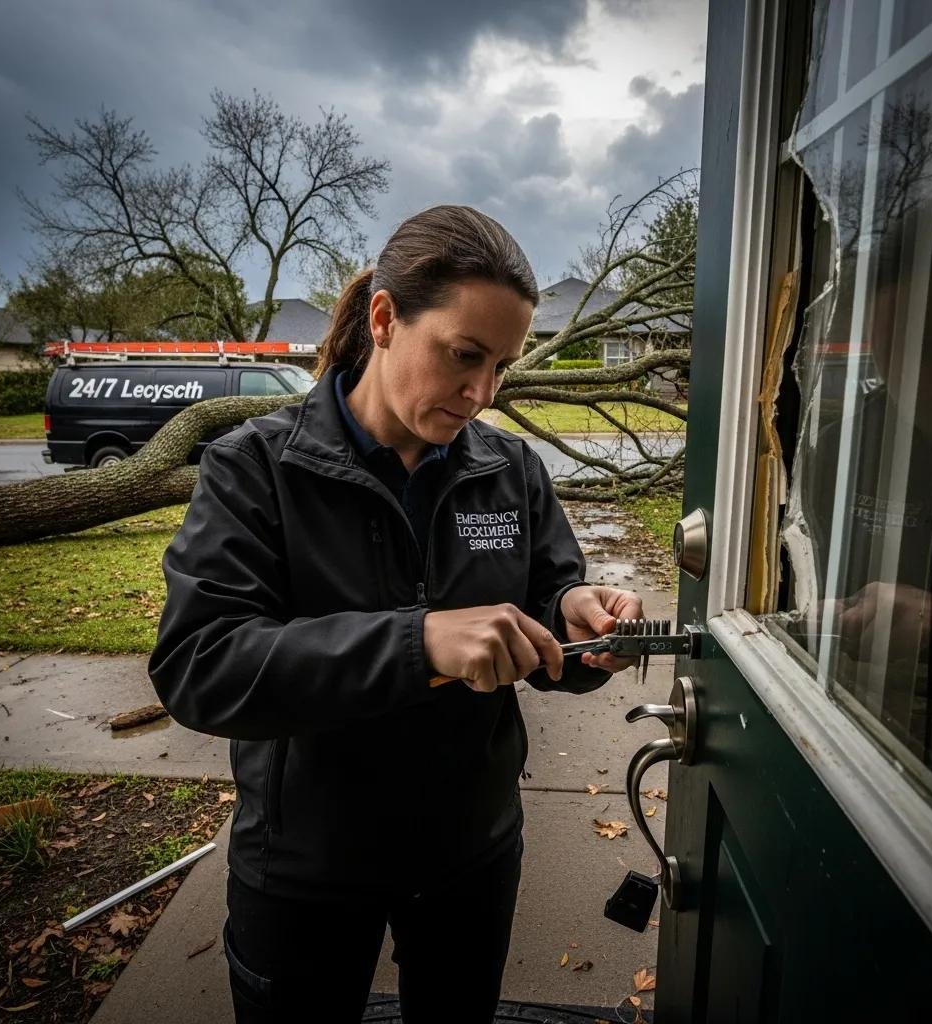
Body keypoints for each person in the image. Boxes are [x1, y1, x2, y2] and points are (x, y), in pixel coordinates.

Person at [148, 205, 643, 1023]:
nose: (481, 393)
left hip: (470, 854)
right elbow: (203, 665)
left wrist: (579, 624)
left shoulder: (509, 468)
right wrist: (419, 643)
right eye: (464, 355)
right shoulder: (257, 469)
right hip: (306, 864)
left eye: (503, 368)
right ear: (384, 319)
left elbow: (548, 607)